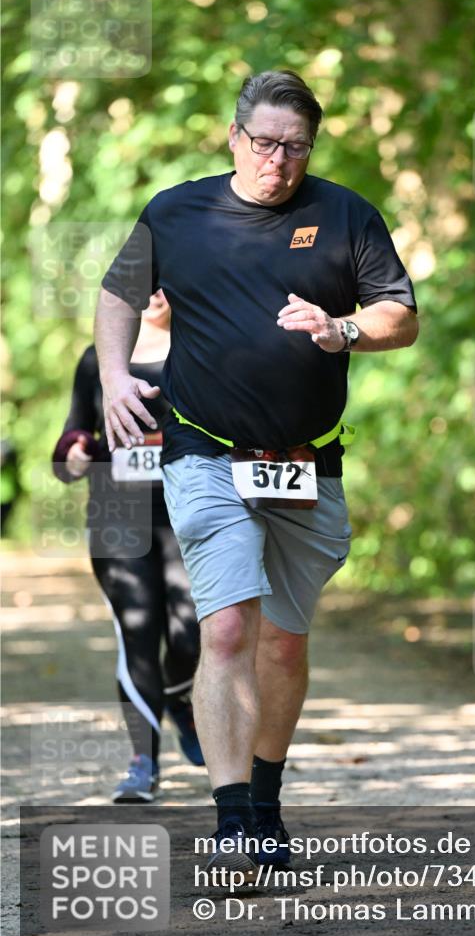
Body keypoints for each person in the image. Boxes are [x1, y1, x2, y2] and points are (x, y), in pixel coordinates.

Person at [95, 70, 418, 874]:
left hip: (308, 463)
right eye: (266, 142)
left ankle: (265, 802)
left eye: (296, 146)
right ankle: (233, 817)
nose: (279, 159)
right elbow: (116, 293)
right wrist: (112, 377)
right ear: (235, 136)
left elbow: (400, 315)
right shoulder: (176, 211)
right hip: (202, 450)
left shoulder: (344, 214)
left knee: (282, 642)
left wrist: (342, 329)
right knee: (230, 625)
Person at [52, 290, 203, 803]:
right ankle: (143, 763)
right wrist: (72, 452)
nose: (155, 294)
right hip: (119, 517)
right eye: (144, 284)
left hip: (190, 515)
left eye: (165, 282)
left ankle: (180, 697)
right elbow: (73, 434)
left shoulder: (201, 348)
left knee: (193, 633)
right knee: (138, 633)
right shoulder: (99, 358)